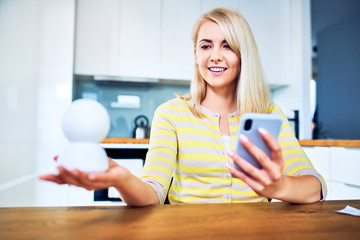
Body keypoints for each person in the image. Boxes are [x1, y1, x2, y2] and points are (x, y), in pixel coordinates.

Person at [41, 8, 327, 206]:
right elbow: (153, 191)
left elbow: (315, 186)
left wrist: (280, 188)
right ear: (195, 54)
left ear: (243, 55)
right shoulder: (170, 115)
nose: (215, 56)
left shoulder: (269, 114)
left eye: (227, 46)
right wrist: (120, 178)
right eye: (206, 46)